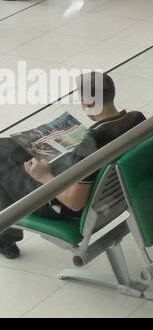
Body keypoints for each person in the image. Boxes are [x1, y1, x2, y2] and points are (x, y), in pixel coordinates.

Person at [0, 72, 143, 259]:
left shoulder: (92, 143)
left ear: (89, 103)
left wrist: (44, 176)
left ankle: (6, 238)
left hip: (64, 207)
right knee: (11, 148)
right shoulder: (137, 119)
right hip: (114, 195)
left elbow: (74, 203)